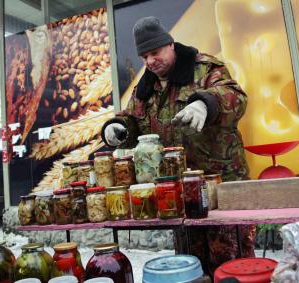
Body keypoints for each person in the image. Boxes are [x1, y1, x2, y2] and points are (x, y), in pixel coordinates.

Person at [100, 16, 255, 272]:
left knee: (231, 260)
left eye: (155, 52)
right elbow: (132, 120)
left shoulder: (204, 68)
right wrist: (116, 128)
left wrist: (206, 103)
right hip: (178, 193)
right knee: (189, 264)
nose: (150, 61)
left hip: (221, 186)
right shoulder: (146, 85)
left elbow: (236, 97)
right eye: (144, 57)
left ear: (170, 44)